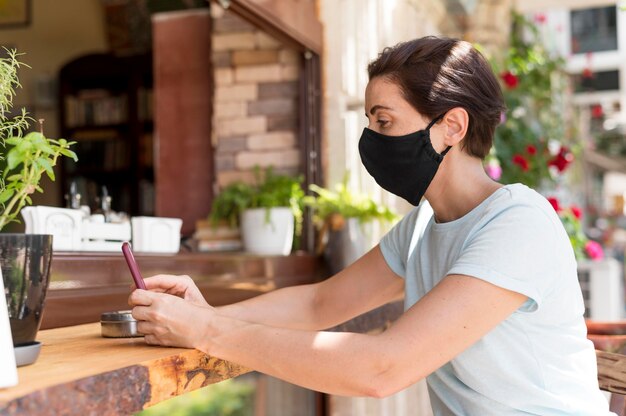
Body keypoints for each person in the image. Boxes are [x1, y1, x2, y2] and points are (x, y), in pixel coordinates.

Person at [129, 36, 613, 415]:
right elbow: (321, 303)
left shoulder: (516, 225)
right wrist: (211, 312)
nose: (371, 139)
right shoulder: (422, 227)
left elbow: (385, 368)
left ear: (452, 127)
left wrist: (210, 332)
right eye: (371, 122)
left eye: (384, 121)